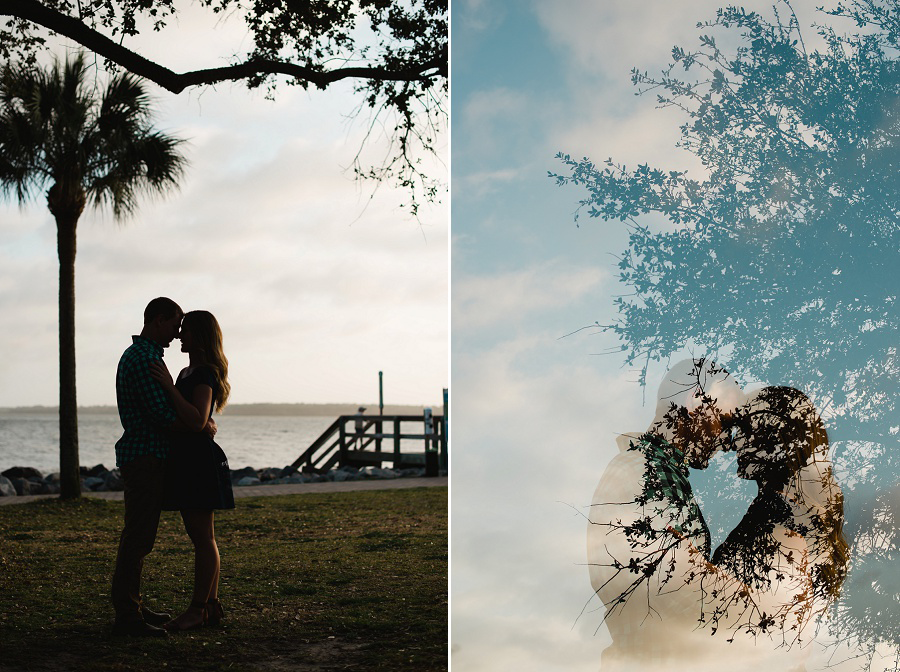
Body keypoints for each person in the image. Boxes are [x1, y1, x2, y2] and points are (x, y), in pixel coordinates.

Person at [586, 358, 745, 670]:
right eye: (725, 421)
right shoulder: (638, 472)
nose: (728, 441)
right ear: (695, 400)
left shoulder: (660, 475)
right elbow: (675, 589)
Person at [712, 386, 849, 643]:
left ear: (775, 437)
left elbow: (741, 623)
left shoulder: (780, 519)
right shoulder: (794, 511)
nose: (733, 444)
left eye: (745, 429)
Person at [149, 310, 234, 631]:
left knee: (203, 538)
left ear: (199, 336)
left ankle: (198, 609)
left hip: (199, 462)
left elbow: (198, 420)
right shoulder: (188, 372)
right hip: (188, 460)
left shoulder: (203, 374)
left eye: (184, 331)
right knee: (201, 537)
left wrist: (169, 388)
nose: (179, 336)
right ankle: (209, 606)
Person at [111, 297, 185, 637]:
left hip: (144, 455)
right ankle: (128, 615)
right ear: (158, 320)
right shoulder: (143, 359)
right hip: (144, 457)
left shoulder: (144, 356)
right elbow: (162, 415)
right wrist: (199, 424)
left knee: (139, 536)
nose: (177, 332)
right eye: (174, 324)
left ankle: (133, 605)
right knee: (138, 537)